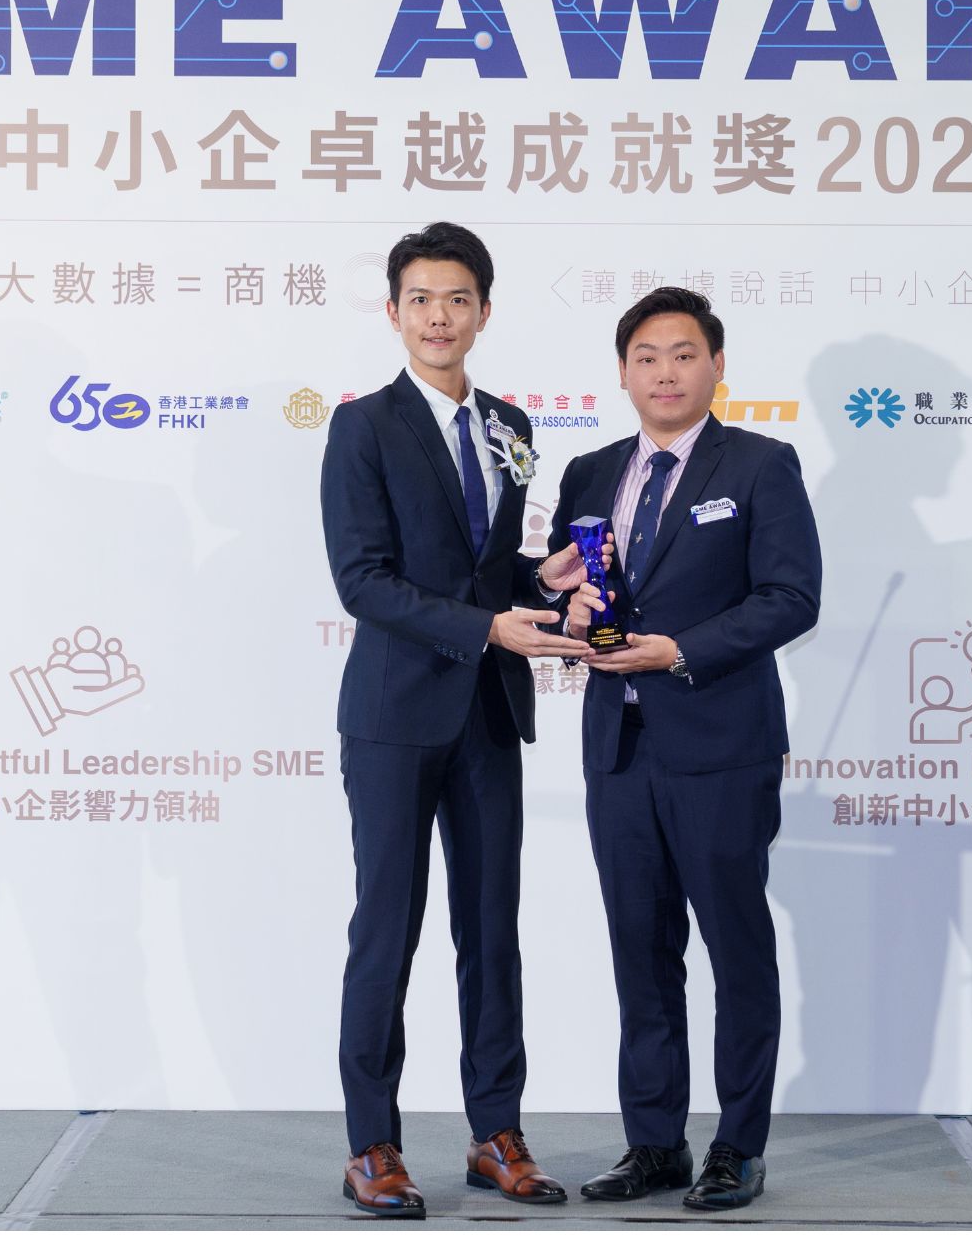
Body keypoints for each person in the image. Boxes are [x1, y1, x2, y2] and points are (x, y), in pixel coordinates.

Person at [321, 222, 597, 1219]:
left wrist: (542, 578)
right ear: (394, 311)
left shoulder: (508, 422)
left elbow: (484, 570)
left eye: (457, 299)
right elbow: (363, 580)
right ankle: (371, 1145)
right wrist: (488, 625)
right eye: (421, 299)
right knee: (386, 930)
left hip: (486, 710)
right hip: (394, 716)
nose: (439, 316)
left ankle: (496, 1133)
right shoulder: (363, 426)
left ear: (483, 310)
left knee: (490, 929)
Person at [547, 286, 821, 1212]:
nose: (665, 372)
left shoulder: (760, 465)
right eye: (647, 357)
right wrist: (563, 607)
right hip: (618, 746)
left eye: (684, 354)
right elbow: (565, 596)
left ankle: (738, 1145)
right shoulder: (589, 473)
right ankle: (655, 1142)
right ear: (623, 373)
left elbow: (791, 598)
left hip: (721, 743)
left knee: (735, 946)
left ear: (716, 365)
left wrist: (681, 651)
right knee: (640, 949)